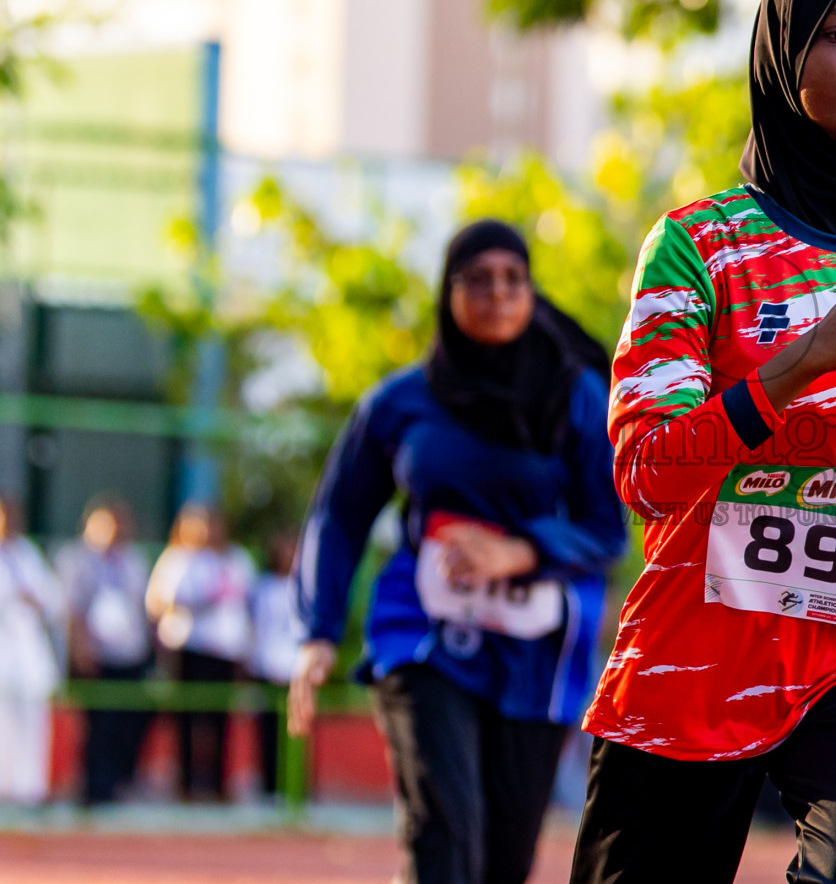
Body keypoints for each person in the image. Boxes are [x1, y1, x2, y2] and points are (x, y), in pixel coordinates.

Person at [571, 0, 836, 884]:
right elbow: (647, 471)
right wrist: (802, 361)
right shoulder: (698, 246)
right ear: (782, 58)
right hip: (697, 657)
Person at [289, 219, 626, 884]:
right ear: (448, 294)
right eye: (477, 280)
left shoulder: (576, 397)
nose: (497, 294)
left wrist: (521, 550)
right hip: (424, 635)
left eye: (512, 280)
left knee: (503, 862)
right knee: (446, 839)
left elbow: (607, 528)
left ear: (532, 293)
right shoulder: (399, 402)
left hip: (535, 652)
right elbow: (339, 514)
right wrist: (317, 631)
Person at [145, 503, 254, 800]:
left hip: (226, 652)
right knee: (187, 718)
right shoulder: (177, 559)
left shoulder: (237, 559)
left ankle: (219, 784)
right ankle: (186, 784)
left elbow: (248, 606)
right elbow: (156, 603)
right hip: (188, 648)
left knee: (221, 719)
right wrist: (194, 602)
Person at [55, 496, 154, 805]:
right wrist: (80, 648)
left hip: (130, 655)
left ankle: (120, 782)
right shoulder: (75, 559)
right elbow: (71, 608)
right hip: (95, 655)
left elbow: (145, 607)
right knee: (99, 725)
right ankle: (96, 790)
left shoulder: (134, 560)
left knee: (130, 721)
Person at [0, 496, 65, 805]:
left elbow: (52, 598)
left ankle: (30, 791)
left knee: (33, 720)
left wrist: (33, 599)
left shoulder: (27, 553)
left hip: (27, 654)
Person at [247, 531, 305, 797]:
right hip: (269, 667)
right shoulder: (264, 587)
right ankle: (269, 785)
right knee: (268, 732)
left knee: (299, 730)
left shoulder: (306, 588)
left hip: (296, 669)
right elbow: (256, 628)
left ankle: (298, 788)